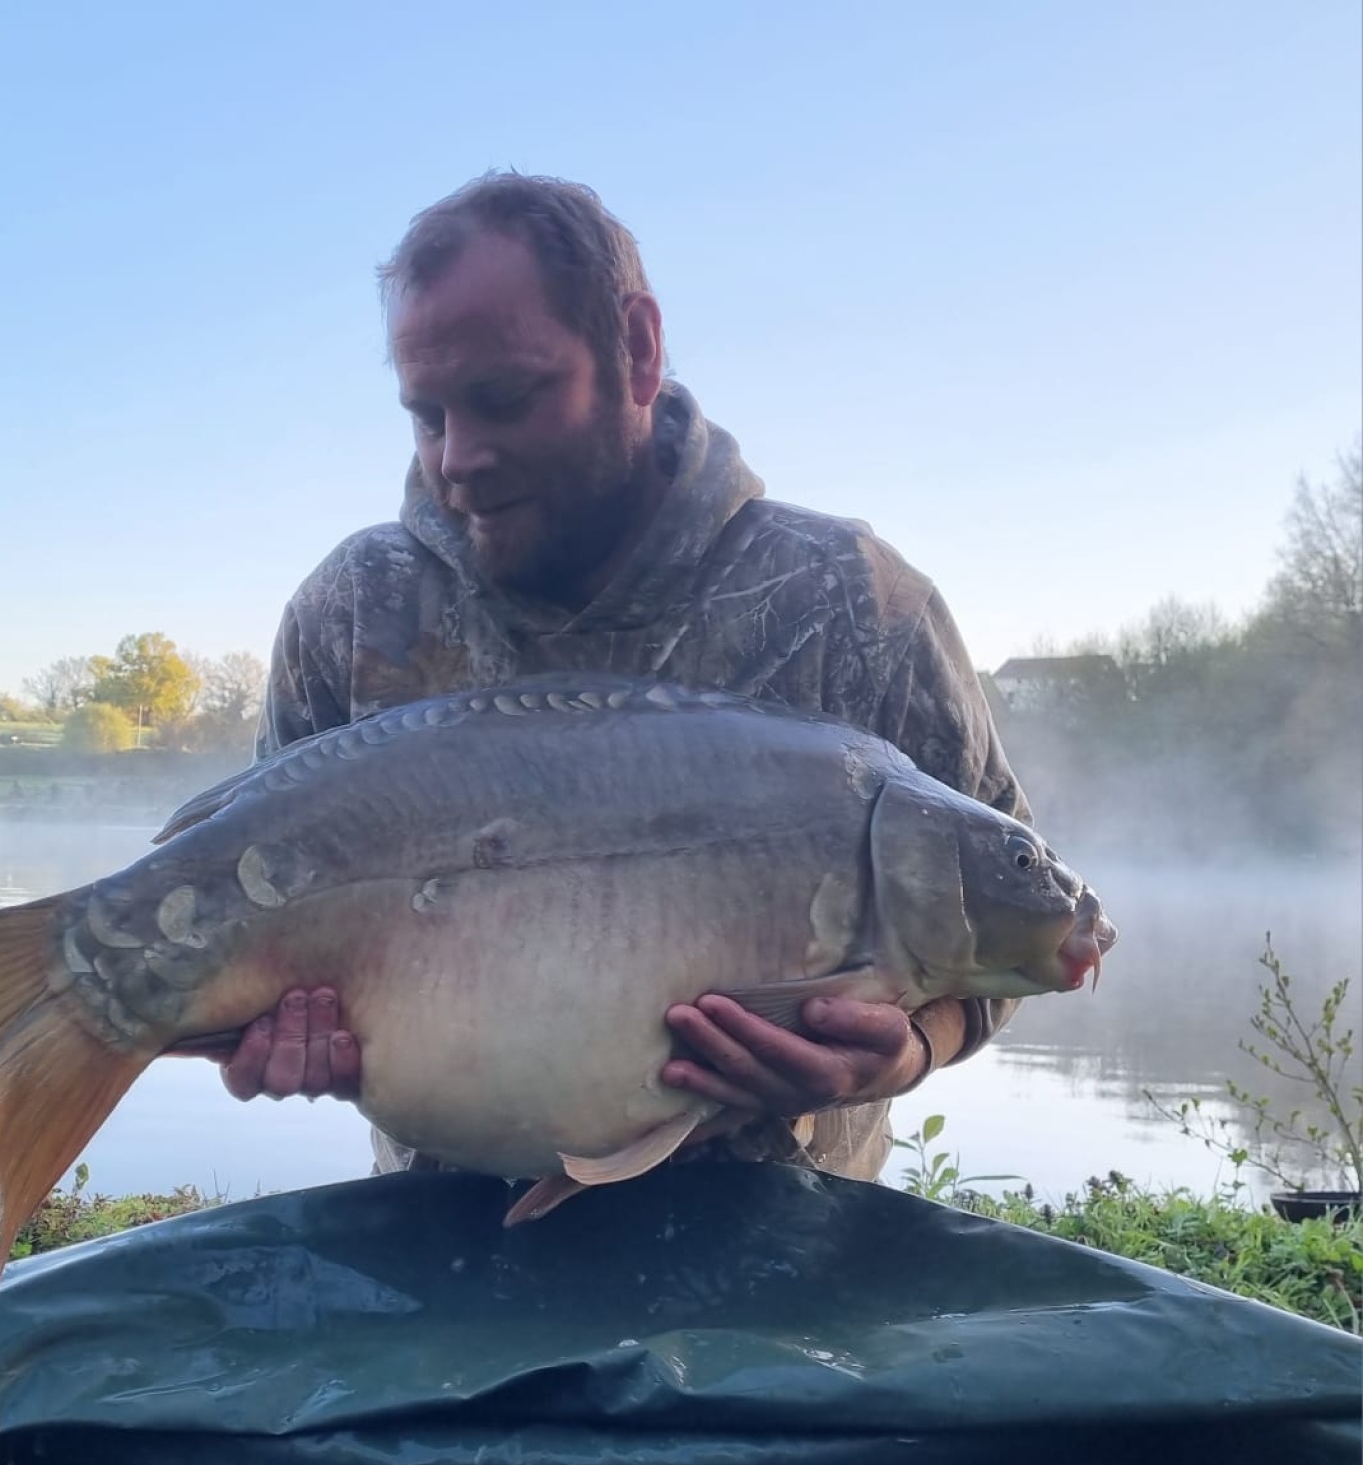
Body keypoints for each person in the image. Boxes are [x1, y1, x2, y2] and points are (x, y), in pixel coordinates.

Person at [206, 171, 1029, 1184]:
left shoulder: (854, 601)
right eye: (427, 415)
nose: (458, 458)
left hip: (790, 1244)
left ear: (636, 348)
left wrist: (913, 1049)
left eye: (505, 398)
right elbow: (254, 914)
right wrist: (259, 1028)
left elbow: (1013, 917)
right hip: (440, 1236)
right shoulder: (354, 613)